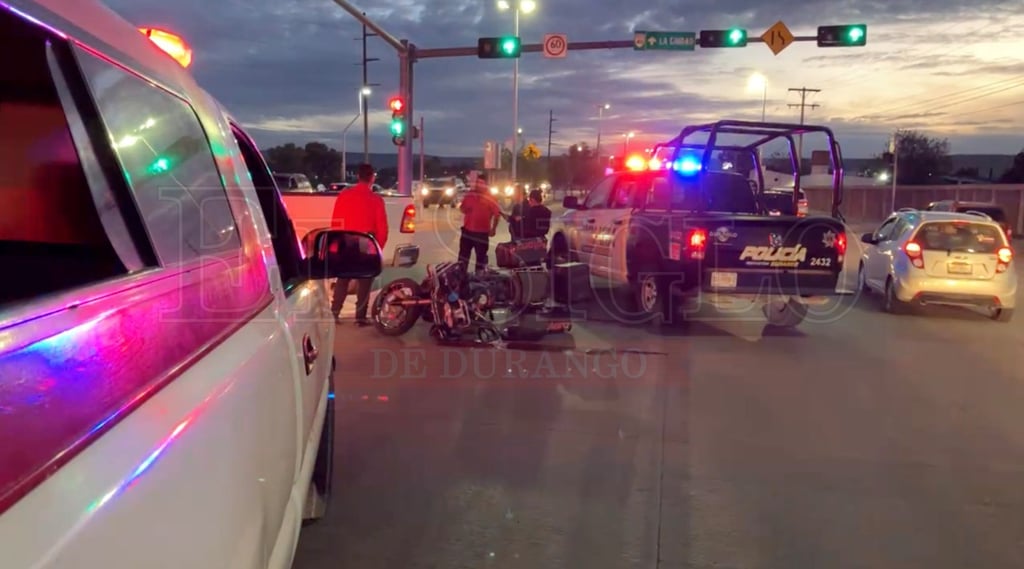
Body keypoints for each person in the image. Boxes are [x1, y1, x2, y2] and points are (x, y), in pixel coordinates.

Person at [330, 163, 388, 325]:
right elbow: (382, 228)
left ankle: (334, 313)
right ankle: (360, 317)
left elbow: (336, 221)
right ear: (372, 178)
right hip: (366, 242)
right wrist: (378, 248)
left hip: (346, 240)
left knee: (343, 278)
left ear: (357, 176)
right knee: (365, 280)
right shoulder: (376, 200)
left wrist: (336, 245)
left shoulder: (344, 195)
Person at [458, 173, 501, 272]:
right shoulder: (469, 194)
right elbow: (462, 209)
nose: (479, 185)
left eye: (482, 183)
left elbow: (497, 214)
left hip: (482, 233)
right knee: (463, 258)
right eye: (478, 183)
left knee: (481, 259)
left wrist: (493, 229)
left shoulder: (490, 197)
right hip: (467, 231)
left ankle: (479, 279)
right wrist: (464, 208)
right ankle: (461, 278)